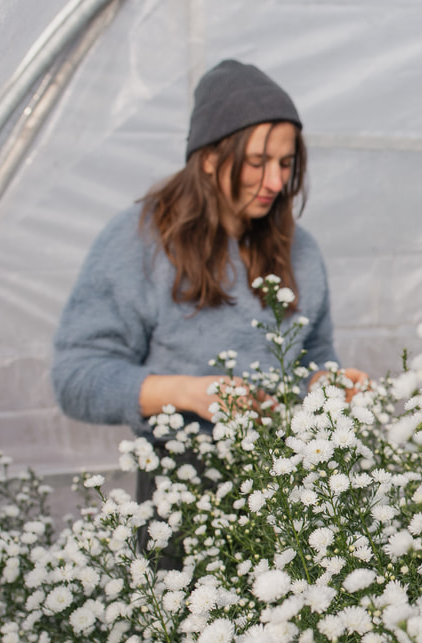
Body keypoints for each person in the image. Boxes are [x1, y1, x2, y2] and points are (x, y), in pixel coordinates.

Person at [51, 59, 365, 455]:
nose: (275, 182)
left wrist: (329, 384)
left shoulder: (300, 249)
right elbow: (76, 379)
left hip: (288, 482)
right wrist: (189, 393)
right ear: (208, 157)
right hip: (183, 486)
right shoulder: (141, 242)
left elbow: (315, 356)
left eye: (285, 164)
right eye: (257, 162)